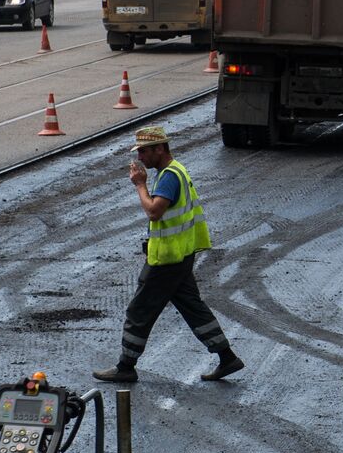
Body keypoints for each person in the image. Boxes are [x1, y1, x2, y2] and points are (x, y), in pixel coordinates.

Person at [93, 127, 244, 383]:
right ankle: (227, 357)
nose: (140, 157)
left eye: (143, 151)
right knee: (192, 308)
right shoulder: (175, 170)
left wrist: (140, 185)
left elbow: (154, 212)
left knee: (139, 311)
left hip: (167, 259)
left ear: (159, 148)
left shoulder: (169, 177)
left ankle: (126, 366)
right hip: (180, 255)